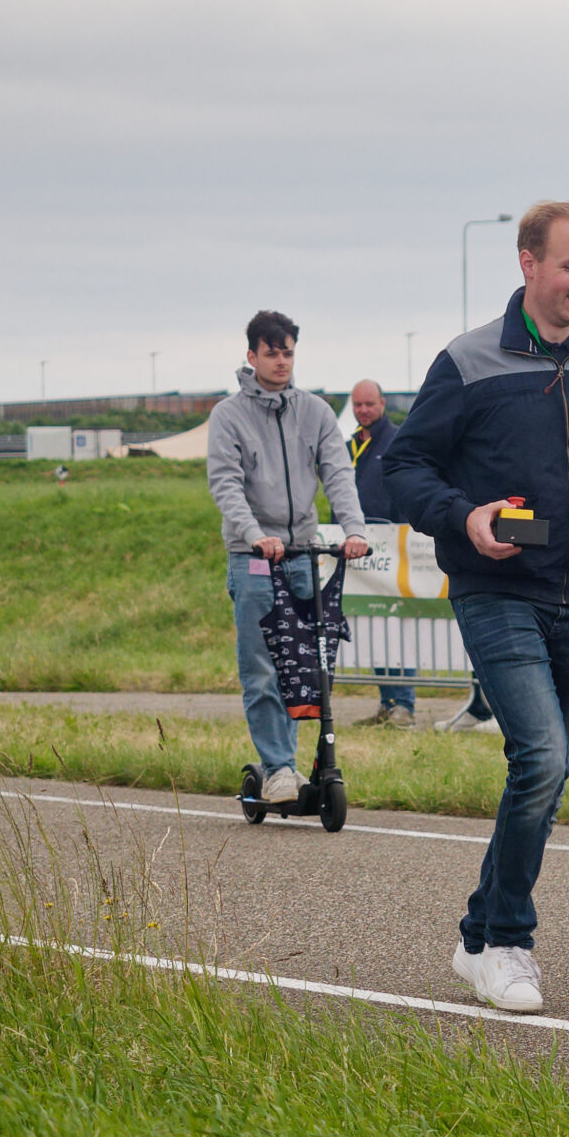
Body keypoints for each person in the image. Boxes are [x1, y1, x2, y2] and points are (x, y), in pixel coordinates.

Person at [384, 201, 569, 1014]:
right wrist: (465, 516)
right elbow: (405, 468)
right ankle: (509, 940)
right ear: (529, 263)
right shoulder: (469, 360)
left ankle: (476, 936)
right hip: (496, 588)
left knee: (547, 771)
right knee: (538, 755)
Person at [205, 311, 371, 804]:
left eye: (288, 352)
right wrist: (255, 535)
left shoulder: (315, 412)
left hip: (301, 555)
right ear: (252, 355)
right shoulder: (229, 416)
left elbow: (338, 473)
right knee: (262, 668)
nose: (281, 361)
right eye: (271, 352)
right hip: (254, 559)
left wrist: (354, 530)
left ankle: (311, 765)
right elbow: (226, 484)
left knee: (305, 667)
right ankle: (278, 767)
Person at [346, 379, 418, 729]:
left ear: (382, 403)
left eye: (369, 404)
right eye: (357, 405)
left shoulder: (397, 440)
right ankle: (386, 703)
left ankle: (404, 705)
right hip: (358, 550)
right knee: (373, 625)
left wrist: (404, 534)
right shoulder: (350, 445)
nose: (363, 411)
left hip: (394, 545)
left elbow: (407, 487)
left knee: (396, 625)